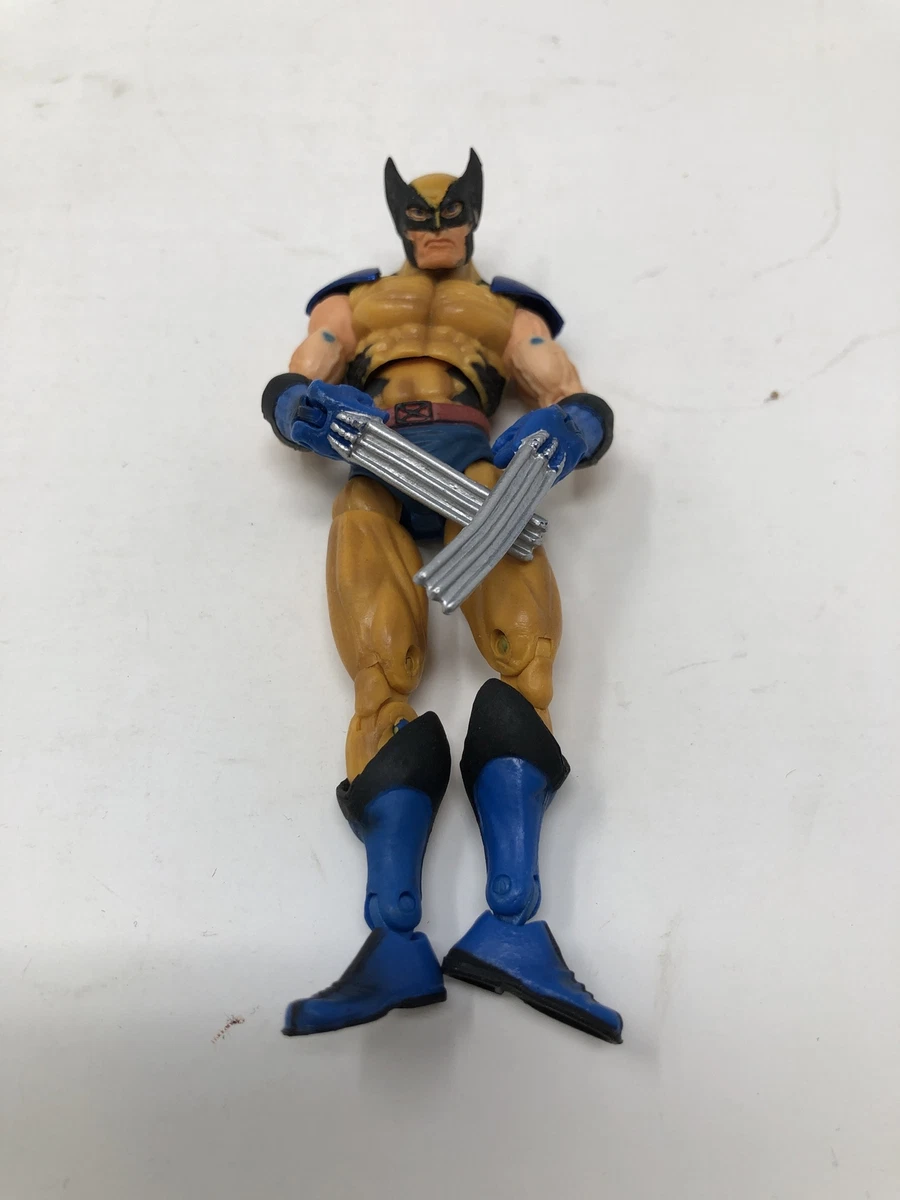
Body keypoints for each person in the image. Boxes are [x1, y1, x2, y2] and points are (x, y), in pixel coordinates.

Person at [262, 150, 622, 1041]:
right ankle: (393, 938)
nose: (435, 229)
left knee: (525, 663)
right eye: (420, 217)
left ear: (473, 214)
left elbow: (561, 383)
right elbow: (306, 366)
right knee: (380, 672)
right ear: (398, 222)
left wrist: (574, 423)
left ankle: (514, 923)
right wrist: (296, 404)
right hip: (375, 458)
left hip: (480, 469)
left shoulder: (502, 310)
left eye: (450, 214)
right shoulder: (354, 304)